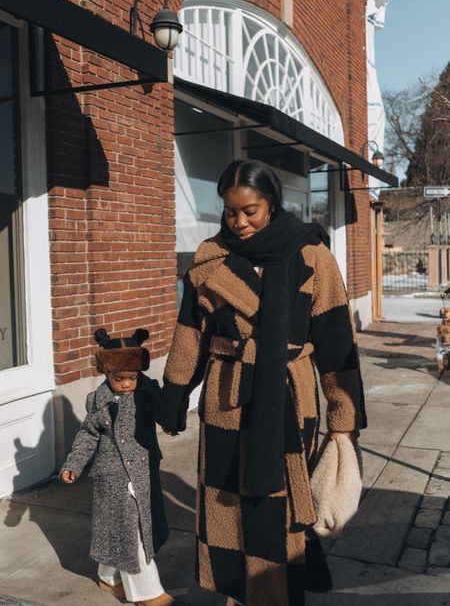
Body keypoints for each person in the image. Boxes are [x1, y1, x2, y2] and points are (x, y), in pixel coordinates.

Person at [156, 160, 366, 606]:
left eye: (249, 210)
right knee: (225, 495)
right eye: (231, 212)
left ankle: (275, 589)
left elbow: (336, 344)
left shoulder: (311, 254)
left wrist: (342, 418)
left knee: (280, 497)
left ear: (271, 201)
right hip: (226, 394)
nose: (240, 221)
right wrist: (174, 393)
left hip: (291, 394)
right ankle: (236, 589)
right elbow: (191, 332)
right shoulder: (212, 257)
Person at [60, 328, 174, 606]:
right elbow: (88, 434)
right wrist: (73, 464)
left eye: (132, 378)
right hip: (113, 475)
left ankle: (109, 578)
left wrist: (172, 421)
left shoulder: (148, 393)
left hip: (143, 470)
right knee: (130, 531)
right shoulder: (98, 401)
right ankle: (148, 593)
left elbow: (165, 412)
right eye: (118, 378)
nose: (125, 384)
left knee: (126, 528)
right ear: (105, 372)